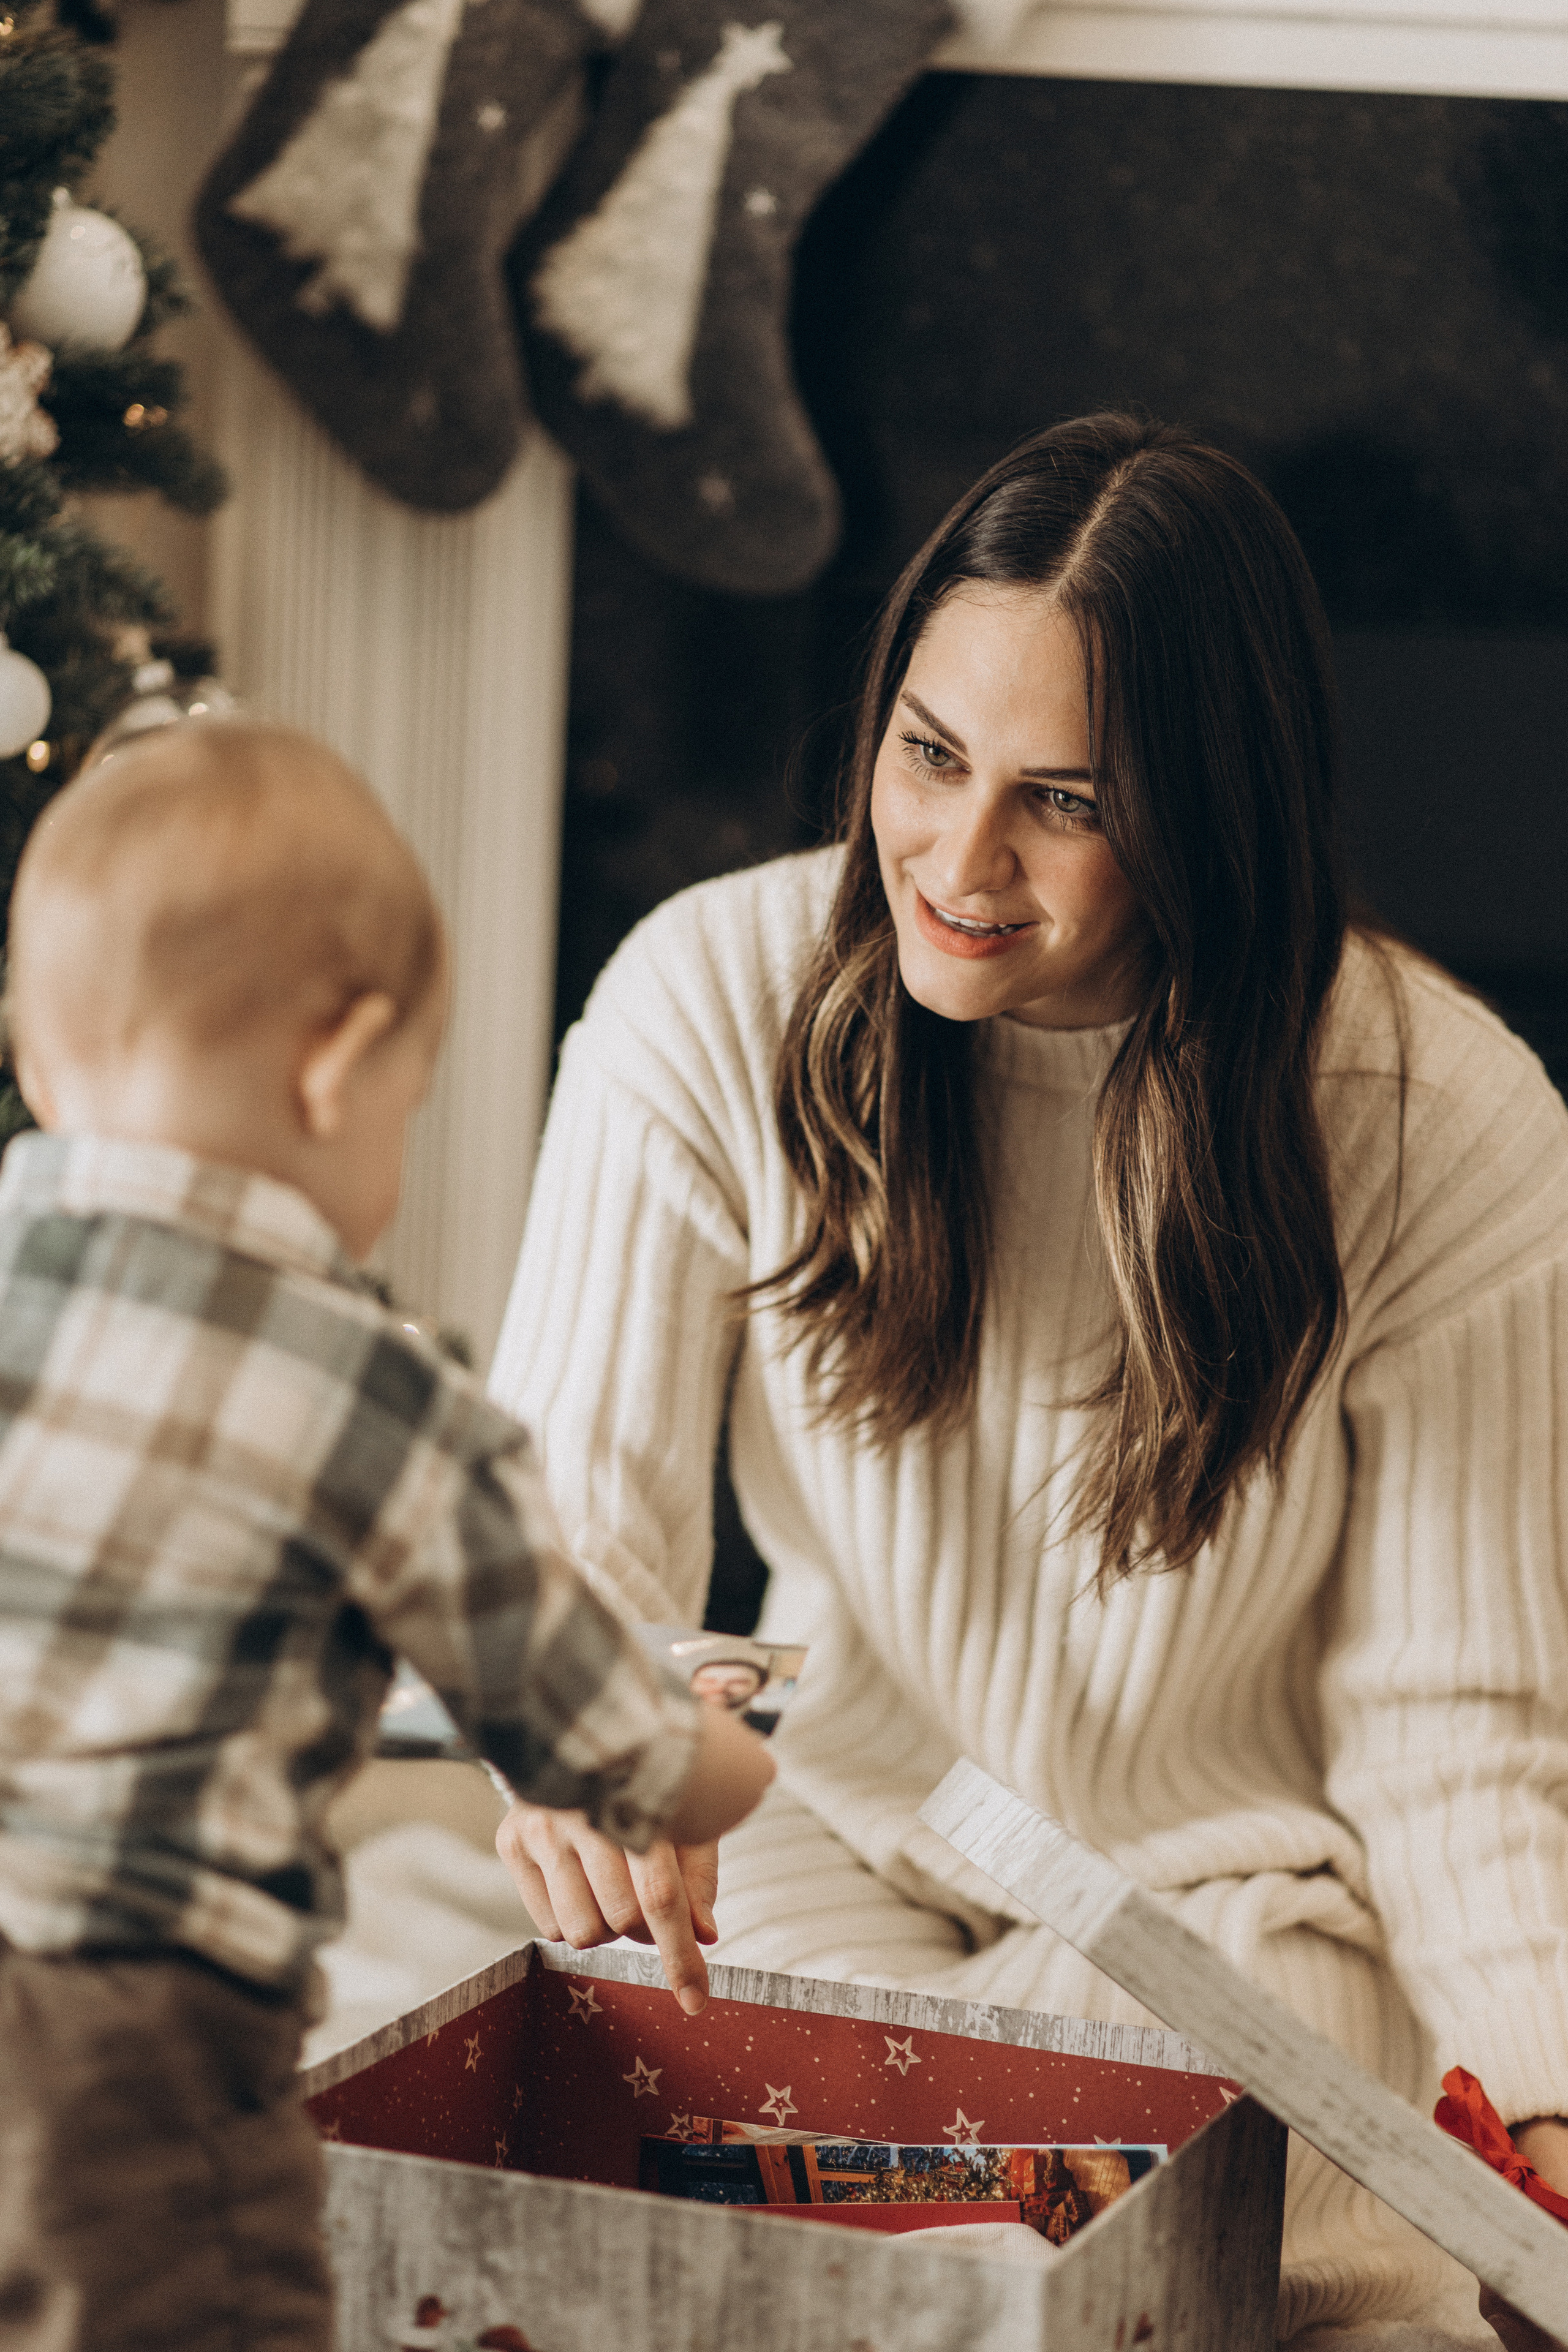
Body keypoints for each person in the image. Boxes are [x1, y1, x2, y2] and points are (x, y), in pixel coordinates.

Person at [489, 415, 1568, 2343]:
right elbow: (568, 1544)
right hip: (829, 1820)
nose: (959, 861)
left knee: (1189, 2105)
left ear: (1210, 807)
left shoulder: (1440, 1115)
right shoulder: (700, 999)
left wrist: (1544, 2091)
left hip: (1229, 1917)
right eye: (929, 754)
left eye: (1063, 799)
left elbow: (1454, 1723)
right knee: (698, 2032)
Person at [0, 721, 774, 2352]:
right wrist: (718, 1771)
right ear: (338, 1068)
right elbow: (571, 1713)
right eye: (407, 1112)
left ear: (39, 1057)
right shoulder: (376, 1397)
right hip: (126, 2033)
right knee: (205, 2303)